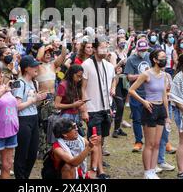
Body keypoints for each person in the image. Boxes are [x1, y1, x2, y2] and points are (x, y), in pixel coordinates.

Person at [128, 49, 171, 179]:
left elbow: (164, 95)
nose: (165, 59)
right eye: (162, 57)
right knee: (149, 143)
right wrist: (144, 101)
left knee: (157, 143)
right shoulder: (146, 74)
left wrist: (167, 115)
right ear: (155, 60)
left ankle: (152, 170)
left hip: (161, 109)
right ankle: (147, 171)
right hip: (150, 108)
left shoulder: (164, 75)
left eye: (165, 57)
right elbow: (131, 90)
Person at [81, 38, 116, 179]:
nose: (104, 50)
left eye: (106, 47)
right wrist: (84, 109)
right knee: (96, 139)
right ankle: (98, 171)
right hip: (92, 108)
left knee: (101, 141)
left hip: (106, 108)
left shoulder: (109, 66)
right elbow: (82, 88)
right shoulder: (86, 65)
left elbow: (114, 79)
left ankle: (98, 169)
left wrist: (113, 88)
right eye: (101, 47)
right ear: (94, 49)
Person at [13, 55, 47, 179]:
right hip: (23, 120)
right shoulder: (19, 83)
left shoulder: (34, 82)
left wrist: (39, 99)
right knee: (22, 153)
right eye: (34, 66)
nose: (37, 68)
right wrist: (33, 100)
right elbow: (17, 106)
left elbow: (32, 102)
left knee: (32, 154)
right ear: (26, 68)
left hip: (34, 118)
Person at [124, 39, 151, 152]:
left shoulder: (150, 57)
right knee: (137, 119)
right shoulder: (131, 60)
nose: (143, 52)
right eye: (141, 50)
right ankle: (138, 141)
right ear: (137, 49)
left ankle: (151, 141)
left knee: (150, 119)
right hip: (136, 94)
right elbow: (129, 77)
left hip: (149, 93)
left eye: (145, 50)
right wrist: (143, 75)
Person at [55, 64, 86, 135]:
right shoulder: (63, 85)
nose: (79, 79)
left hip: (76, 115)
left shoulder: (76, 84)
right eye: (78, 76)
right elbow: (57, 105)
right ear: (71, 74)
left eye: (81, 77)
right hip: (66, 116)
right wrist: (73, 105)